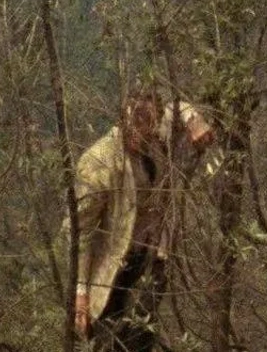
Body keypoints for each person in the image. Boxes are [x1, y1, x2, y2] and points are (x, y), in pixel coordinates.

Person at [69, 93, 214, 337]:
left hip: (149, 259)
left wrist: (193, 119)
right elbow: (80, 232)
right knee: (108, 346)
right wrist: (80, 292)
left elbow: (176, 108)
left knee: (141, 342)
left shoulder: (155, 137)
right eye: (135, 120)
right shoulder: (99, 160)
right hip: (112, 271)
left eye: (149, 122)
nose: (141, 130)